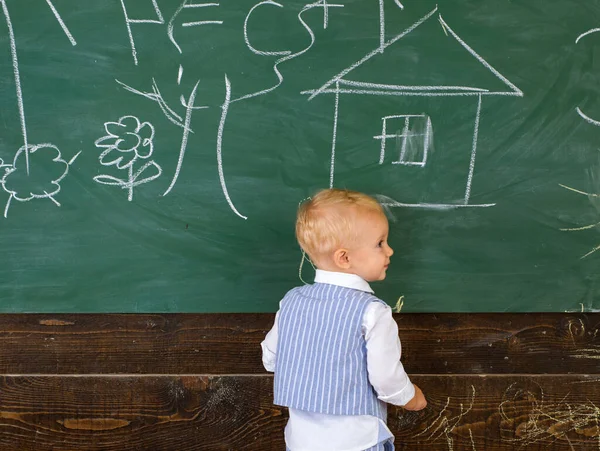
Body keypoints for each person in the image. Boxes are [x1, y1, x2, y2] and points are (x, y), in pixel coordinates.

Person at [261, 188, 427, 451]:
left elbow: (270, 359)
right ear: (345, 258)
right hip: (358, 442)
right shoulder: (372, 312)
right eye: (380, 243)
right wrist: (410, 397)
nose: (390, 251)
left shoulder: (291, 300)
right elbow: (385, 379)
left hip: (301, 442)